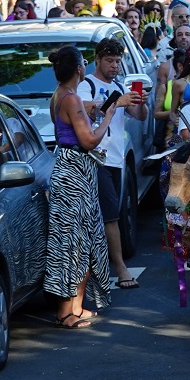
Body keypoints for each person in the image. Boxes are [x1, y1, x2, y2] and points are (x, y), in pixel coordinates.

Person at [46, 46, 117, 329]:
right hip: (73, 174)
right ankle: (65, 313)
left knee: (83, 240)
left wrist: (97, 109)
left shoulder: (60, 95)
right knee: (72, 243)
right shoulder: (71, 97)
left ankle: (76, 306)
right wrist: (108, 117)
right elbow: (88, 141)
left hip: (74, 171)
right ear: (79, 69)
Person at [76, 39, 148, 290]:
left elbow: (138, 116)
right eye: (109, 61)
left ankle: (99, 267)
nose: (115, 66)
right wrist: (118, 102)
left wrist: (141, 101)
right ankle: (120, 267)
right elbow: (84, 108)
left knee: (111, 214)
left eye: (118, 61)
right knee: (109, 216)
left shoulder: (118, 85)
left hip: (117, 158)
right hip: (97, 157)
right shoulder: (87, 85)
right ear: (97, 60)